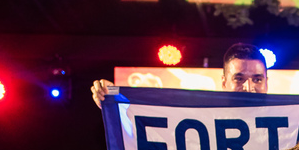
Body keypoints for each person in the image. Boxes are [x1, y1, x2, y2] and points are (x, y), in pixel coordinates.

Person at [91, 43, 269, 108]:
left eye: (257, 79)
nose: (248, 87)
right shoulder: (203, 114)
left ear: (267, 83)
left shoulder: (290, 121)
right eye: (239, 79)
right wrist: (112, 93)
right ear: (223, 82)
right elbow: (143, 118)